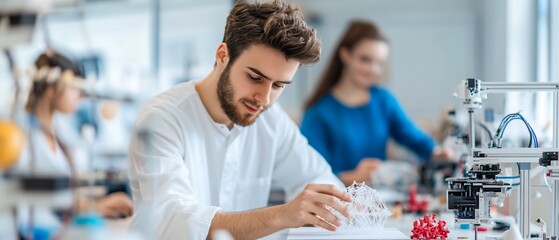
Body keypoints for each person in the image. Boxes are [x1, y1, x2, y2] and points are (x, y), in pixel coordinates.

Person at [127, 1, 352, 239]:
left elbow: (318, 179)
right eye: (255, 77)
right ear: (223, 55)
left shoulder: (272, 121)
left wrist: (340, 205)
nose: (264, 99)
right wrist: (282, 215)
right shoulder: (161, 119)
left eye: (278, 85)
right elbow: (178, 222)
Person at [301, 21, 453, 186]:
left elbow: (411, 136)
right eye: (365, 59)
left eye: (379, 63)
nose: (373, 69)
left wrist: (437, 151)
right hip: (335, 203)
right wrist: (352, 176)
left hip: (379, 201)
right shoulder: (317, 114)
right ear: (345, 55)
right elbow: (311, 175)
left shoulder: (383, 101)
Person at [9, 49, 133, 220]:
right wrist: (93, 207)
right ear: (52, 88)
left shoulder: (60, 128)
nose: (80, 95)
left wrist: (94, 205)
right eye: (75, 88)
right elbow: (28, 201)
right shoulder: (18, 133)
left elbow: (66, 192)